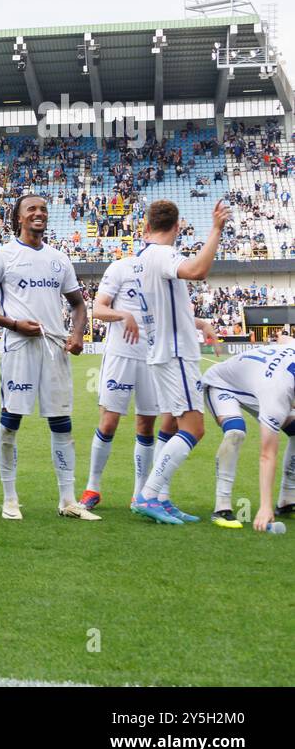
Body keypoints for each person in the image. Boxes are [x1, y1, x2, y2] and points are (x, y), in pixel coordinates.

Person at [0, 194, 94, 522]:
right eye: (31, 210)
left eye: (42, 210)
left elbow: (79, 304)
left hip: (54, 349)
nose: (38, 214)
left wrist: (77, 334)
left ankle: (68, 500)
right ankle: (10, 499)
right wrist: (13, 324)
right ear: (19, 219)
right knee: (11, 420)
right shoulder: (3, 256)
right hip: (19, 348)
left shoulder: (59, 259)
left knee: (61, 423)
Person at [131, 199, 231, 525]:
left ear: (147, 226)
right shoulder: (163, 255)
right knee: (194, 427)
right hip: (176, 353)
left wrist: (197, 322)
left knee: (173, 424)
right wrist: (215, 229)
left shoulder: (142, 257)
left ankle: (160, 498)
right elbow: (197, 271)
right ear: (177, 227)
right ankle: (149, 493)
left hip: (160, 351)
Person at [83, 252, 160, 511]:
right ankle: (92, 487)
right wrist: (123, 315)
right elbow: (98, 309)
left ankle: (140, 493)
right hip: (121, 355)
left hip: (152, 357)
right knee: (108, 422)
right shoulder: (121, 267)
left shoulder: (165, 270)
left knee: (146, 425)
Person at [200, 339, 295, 531]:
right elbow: (267, 454)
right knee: (236, 431)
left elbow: (286, 339)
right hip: (221, 384)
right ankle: (222, 507)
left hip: (254, 386)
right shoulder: (276, 393)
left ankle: (287, 500)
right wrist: (264, 506)